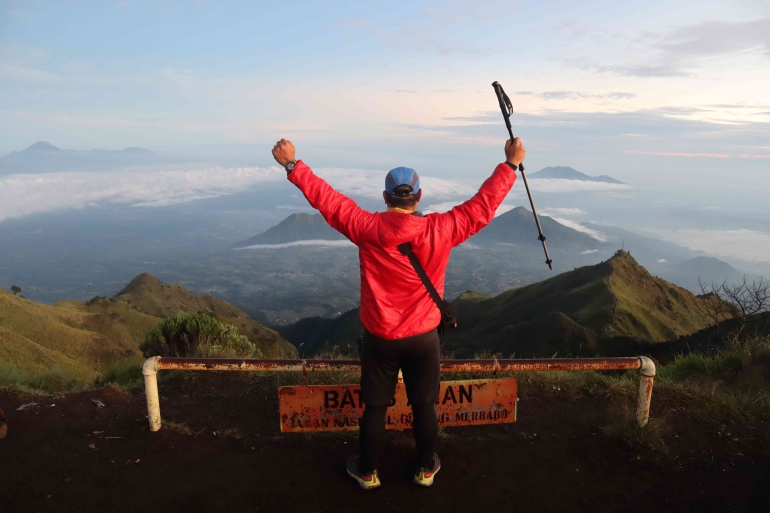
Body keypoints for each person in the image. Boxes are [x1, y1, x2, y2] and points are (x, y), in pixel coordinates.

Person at [271, 137, 525, 489]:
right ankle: (425, 468)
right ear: (418, 197)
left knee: (375, 407)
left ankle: (367, 471)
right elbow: (482, 206)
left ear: (386, 197)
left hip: (380, 338)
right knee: (424, 405)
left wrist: (292, 165)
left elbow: (327, 200)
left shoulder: (366, 227)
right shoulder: (441, 229)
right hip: (424, 338)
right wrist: (509, 166)